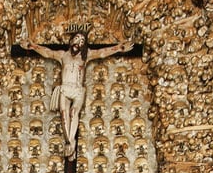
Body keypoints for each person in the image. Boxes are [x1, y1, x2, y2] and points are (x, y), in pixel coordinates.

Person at [22, 29, 134, 158]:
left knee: (73, 112)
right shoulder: (63, 55)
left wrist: (119, 48)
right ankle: (69, 141)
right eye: (77, 39)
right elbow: (48, 53)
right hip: (65, 88)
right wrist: (32, 45)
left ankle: (71, 142)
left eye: (82, 41)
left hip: (77, 90)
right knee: (64, 114)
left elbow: (102, 53)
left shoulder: (85, 56)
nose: (78, 43)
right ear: (71, 41)